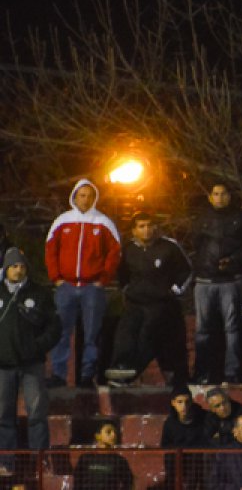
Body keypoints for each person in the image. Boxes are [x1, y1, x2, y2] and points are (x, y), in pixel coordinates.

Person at [45, 179, 121, 388]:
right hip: (66, 286)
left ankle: (88, 375)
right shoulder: (62, 221)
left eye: (89, 195)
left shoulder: (103, 222)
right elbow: (50, 249)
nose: (85, 199)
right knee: (61, 331)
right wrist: (56, 278)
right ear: (75, 196)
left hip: (91, 288)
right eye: (82, 195)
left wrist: (103, 279)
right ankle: (59, 375)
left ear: (95, 198)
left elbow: (114, 253)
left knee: (92, 333)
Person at [105, 211, 191, 388]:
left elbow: (186, 270)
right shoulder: (128, 249)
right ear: (134, 230)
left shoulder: (169, 247)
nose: (147, 230)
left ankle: (134, 371)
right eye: (141, 227)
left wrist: (175, 290)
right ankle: (121, 367)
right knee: (125, 332)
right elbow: (122, 274)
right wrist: (128, 289)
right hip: (136, 302)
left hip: (161, 304)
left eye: (150, 226)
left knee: (148, 335)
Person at [0, 248, 61, 473]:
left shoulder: (39, 293)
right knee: (3, 415)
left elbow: (54, 327)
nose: (18, 270)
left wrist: (38, 346)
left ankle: (40, 461)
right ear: (6, 268)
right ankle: (5, 463)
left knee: (37, 414)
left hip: (32, 364)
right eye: (14, 266)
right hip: (3, 365)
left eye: (22, 266)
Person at [191, 181, 242, 384]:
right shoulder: (202, 217)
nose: (219, 197)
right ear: (210, 197)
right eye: (216, 193)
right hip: (204, 280)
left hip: (230, 280)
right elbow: (194, 244)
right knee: (202, 329)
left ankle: (232, 371)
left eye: (223, 193)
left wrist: (234, 260)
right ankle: (202, 372)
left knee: (232, 328)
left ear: (230, 195)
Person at [160, 385, 210, 490]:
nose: (184, 406)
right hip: (179, 464)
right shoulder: (169, 423)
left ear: (191, 402)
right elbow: (165, 448)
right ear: (173, 403)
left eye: (187, 402)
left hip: (200, 464)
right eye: (180, 402)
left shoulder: (204, 417)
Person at [73, 420, 134, 490]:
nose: (113, 435)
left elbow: (129, 483)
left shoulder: (119, 460)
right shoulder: (85, 458)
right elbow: (77, 483)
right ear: (98, 436)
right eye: (108, 432)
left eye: (115, 432)